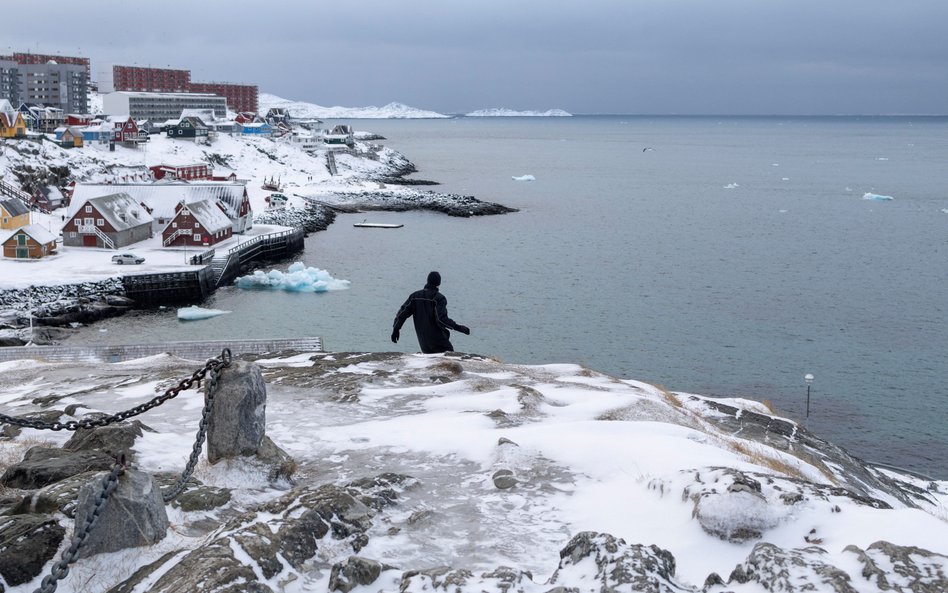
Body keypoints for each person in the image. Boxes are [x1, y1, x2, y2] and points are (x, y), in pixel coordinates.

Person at [391, 271, 470, 353]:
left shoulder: (414, 297)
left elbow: (402, 313)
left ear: (427, 281)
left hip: (424, 344)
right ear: (439, 283)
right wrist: (459, 328)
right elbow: (441, 319)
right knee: (450, 359)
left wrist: (396, 329)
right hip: (439, 342)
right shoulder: (439, 298)